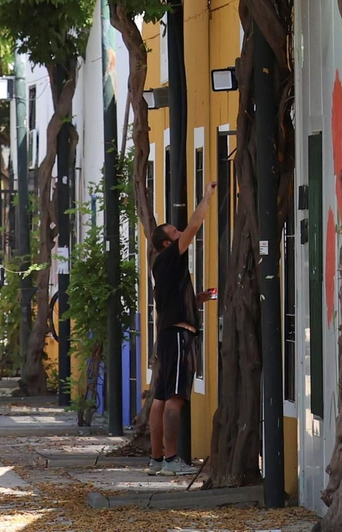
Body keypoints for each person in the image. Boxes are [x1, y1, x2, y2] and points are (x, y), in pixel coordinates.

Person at [148, 181, 216, 476]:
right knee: (175, 397)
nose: (179, 234)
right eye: (173, 233)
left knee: (160, 397)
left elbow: (170, 300)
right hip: (178, 336)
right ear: (166, 243)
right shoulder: (170, 256)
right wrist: (207, 195)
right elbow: (194, 225)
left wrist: (197, 298)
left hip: (167, 335)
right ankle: (172, 459)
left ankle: (156, 460)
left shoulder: (164, 268)